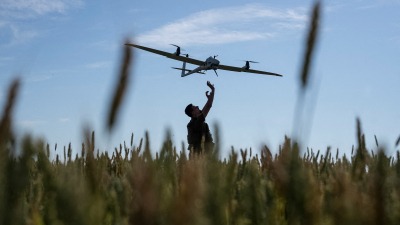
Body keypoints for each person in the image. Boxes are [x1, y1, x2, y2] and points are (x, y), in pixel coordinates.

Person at [185, 81, 215, 154]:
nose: (198, 107)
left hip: (205, 155)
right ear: (193, 113)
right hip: (199, 157)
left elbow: (209, 106)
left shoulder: (198, 121)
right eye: (195, 108)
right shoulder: (195, 123)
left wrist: (210, 97)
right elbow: (208, 106)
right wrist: (213, 90)